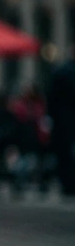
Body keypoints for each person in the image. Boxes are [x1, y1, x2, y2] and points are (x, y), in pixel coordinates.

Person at [48, 49, 75, 196]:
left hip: (61, 122)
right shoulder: (67, 73)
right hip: (66, 121)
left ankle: (67, 185)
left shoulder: (61, 72)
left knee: (64, 155)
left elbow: (51, 99)